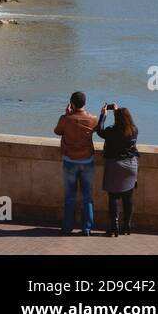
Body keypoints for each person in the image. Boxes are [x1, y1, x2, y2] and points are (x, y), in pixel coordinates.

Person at [54, 90, 99, 235]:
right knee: (87, 197)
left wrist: (67, 115)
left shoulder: (65, 119)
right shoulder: (93, 119)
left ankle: (67, 227)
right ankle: (87, 228)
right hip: (87, 161)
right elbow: (99, 130)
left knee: (69, 196)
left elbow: (57, 131)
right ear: (85, 103)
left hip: (70, 160)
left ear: (71, 103)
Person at [96, 103, 139, 236]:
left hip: (115, 165)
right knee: (128, 197)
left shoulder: (111, 131)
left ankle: (114, 227)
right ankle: (127, 225)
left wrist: (103, 114)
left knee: (113, 197)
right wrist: (118, 110)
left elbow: (99, 131)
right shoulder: (134, 130)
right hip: (131, 165)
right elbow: (123, 124)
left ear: (116, 119)